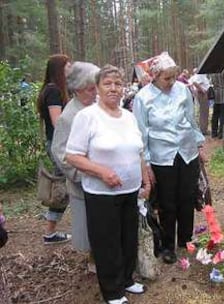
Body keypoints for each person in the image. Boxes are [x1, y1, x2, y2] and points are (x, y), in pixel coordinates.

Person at [66, 65, 148, 304]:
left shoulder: (129, 116)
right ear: (98, 88)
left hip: (130, 190)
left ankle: (127, 280)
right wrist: (102, 172)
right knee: (107, 241)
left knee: (128, 238)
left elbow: (138, 151)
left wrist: (145, 178)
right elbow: (72, 156)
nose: (114, 88)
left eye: (118, 84)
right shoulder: (88, 116)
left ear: (124, 88)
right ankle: (112, 291)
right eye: (108, 84)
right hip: (101, 193)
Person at [133, 52, 206, 265]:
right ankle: (167, 246)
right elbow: (141, 132)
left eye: (174, 77)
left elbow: (191, 120)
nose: (171, 82)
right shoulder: (143, 98)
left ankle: (185, 239)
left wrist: (199, 144)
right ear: (154, 76)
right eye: (167, 78)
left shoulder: (182, 90)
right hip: (161, 157)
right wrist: (145, 164)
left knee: (187, 197)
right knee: (167, 203)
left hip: (187, 152)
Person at [51, 61, 100, 272]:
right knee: (90, 226)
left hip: (103, 180)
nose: (96, 92)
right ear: (78, 89)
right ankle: (94, 260)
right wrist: (84, 173)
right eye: (91, 89)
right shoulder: (69, 116)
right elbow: (60, 153)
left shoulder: (96, 107)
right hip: (85, 183)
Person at [36, 54, 72, 245]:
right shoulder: (53, 91)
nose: (71, 68)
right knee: (61, 188)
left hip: (59, 143)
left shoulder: (55, 90)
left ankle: (51, 231)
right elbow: (57, 122)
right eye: (68, 66)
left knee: (64, 186)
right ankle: (50, 232)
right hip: (59, 145)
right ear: (59, 69)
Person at [189, 68, 211, 135]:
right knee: (204, 112)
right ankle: (203, 130)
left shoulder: (202, 75)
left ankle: (204, 128)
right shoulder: (200, 75)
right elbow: (195, 83)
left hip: (203, 94)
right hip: (202, 94)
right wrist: (202, 90)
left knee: (205, 111)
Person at [211, 70, 224, 139]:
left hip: (216, 95)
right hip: (223, 95)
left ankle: (214, 133)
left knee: (215, 115)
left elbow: (212, 82)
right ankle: (222, 134)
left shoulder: (212, 71)